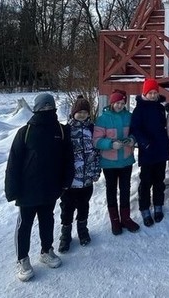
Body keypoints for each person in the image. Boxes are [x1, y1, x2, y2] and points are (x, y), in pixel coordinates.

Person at [5, 92, 74, 282]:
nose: (46, 109)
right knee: (24, 224)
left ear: (54, 108)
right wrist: (12, 189)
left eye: (49, 106)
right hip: (27, 189)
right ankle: (22, 259)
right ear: (36, 109)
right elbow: (14, 163)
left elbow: (68, 158)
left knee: (47, 220)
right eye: (43, 107)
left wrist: (66, 181)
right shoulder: (25, 132)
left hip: (51, 187)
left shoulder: (60, 131)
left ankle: (46, 250)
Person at [94, 90, 140, 236]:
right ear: (112, 103)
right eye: (117, 103)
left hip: (126, 161)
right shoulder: (102, 119)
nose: (120, 105)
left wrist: (132, 139)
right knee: (111, 190)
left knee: (125, 189)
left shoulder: (129, 117)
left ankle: (126, 218)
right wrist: (110, 144)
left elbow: (135, 132)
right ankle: (114, 219)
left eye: (122, 103)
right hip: (109, 163)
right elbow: (96, 141)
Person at [58, 95, 100, 253]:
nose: (82, 115)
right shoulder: (66, 130)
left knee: (84, 206)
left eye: (85, 112)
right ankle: (65, 234)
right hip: (70, 180)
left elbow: (97, 152)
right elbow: (60, 156)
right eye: (79, 112)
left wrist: (96, 171)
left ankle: (83, 230)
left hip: (87, 178)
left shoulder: (92, 129)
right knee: (67, 208)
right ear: (73, 112)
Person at [130, 78, 169, 226]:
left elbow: (164, 126)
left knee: (159, 181)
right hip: (147, 151)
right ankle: (145, 208)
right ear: (145, 93)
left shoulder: (160, 108)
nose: (153, 95)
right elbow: (135, 128)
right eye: (150, 93)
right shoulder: (139, 109)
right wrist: (144, 142)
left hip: (160, 149)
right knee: (146, 181)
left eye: (155, 92)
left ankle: (158, 206)